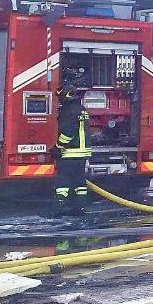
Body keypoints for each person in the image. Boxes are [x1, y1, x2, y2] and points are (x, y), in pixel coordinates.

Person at [53, 68, 92, 214]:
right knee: (79, 180)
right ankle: (81, 205)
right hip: (83, 154)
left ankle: (59, 204)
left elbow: (68, 133)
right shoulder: (82, 110)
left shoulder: (68, 112)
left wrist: (58, 147)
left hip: (70, 153)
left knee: (63, 179)